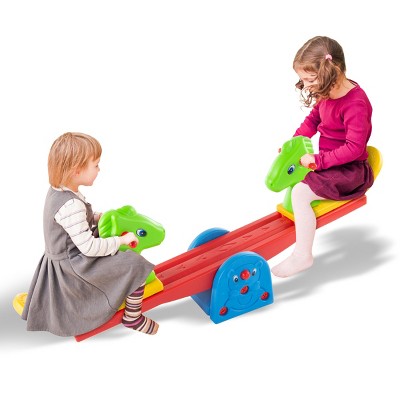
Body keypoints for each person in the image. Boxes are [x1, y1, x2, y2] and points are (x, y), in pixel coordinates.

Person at [22, 132, 159, 336]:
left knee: (109, 244)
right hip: (73, 269)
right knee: (136, 265)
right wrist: (120, 240)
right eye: (95, 165)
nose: (99, 170)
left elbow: (73, 224)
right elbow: (89, 247)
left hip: (67, 257)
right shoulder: (70, 204)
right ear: (77, 171)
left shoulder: (59, 191)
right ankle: (133, 316)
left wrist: (96, 217)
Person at [271, 36, 374, 278]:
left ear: (331, 70)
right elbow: (313, 120)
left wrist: (318, 161)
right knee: (294, 179)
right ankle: (301, 216)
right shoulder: (327, 93)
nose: (307, 86)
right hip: (330, 163)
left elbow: (354, 148)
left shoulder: (356, 104)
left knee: (300, 192)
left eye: (310, 79)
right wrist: (294, 145)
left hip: (351, 171)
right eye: (303, 80)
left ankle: (302, 255)